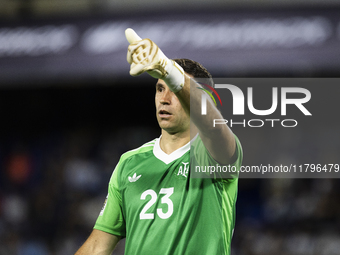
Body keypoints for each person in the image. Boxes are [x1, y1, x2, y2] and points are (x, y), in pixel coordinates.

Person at [75, 28, 242, 255]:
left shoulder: (213, 154)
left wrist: (169, 70)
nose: (165, 99)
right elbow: (97, 247)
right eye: (160, 88)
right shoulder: (129, 163)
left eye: (175, 89)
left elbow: (212, 125)